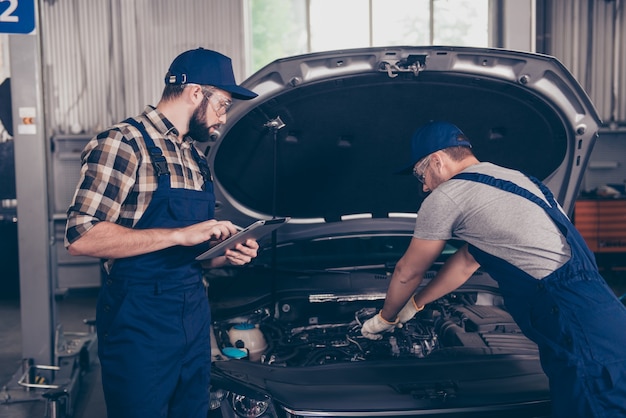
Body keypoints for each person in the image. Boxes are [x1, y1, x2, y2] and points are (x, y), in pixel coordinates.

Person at [361, 121, 626, 417]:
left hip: (574, 328)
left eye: (420, 174)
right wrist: (416, 303)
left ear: (437, 160)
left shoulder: (448, 195)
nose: (423, 186)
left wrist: (386, 317)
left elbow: (408, 271)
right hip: (605, 317)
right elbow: (465, 263)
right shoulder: (520, 181)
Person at [65, 48, 259, 418]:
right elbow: (81, 236)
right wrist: (178, 235)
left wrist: (226, 252)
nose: (223, 116)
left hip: (192, 314)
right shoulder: (123, 142)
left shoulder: (194, 157)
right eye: (223, 104)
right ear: (196, 93)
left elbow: (191, 253)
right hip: (139, 320)